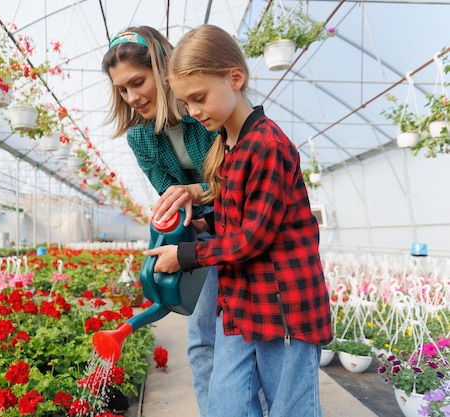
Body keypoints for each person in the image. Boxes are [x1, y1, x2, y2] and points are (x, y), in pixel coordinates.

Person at [145, 24, 333, 417]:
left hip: (284, 308)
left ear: (235, 78)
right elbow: (233, 225)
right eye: (186, 104)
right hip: (241, 305)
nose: (194, 112)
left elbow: (253, 238)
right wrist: (199, 226)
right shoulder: (227, 148)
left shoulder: (267, 145)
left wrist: (186, 255)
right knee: (226, 404)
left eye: (199, 98)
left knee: (290, 409)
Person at [102, 26, 263, 417]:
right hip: (201, 237)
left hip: (240, 231)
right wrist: (183, 221)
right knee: (201, 338)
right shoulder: (140, 137)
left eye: (137, 82)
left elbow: (237, 179)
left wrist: (197, 195)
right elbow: (169, 193)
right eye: (122, 89)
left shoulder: (207, 111)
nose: (132, 96)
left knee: (242, 338)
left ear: (162, 69)